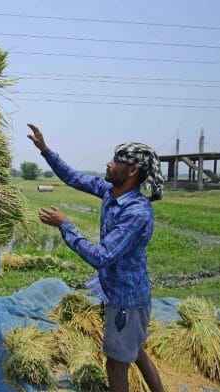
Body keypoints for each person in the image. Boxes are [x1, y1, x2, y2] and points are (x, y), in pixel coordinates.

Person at [26, 123, 164, 392]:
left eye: (116, 161)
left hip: (126, 300)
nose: (109, 163)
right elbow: (74, 178)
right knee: (134, 352)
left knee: (115, 365)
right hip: (118, 293)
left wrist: (65, 225)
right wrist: (45, 150)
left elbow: (102, 256)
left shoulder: (136, 213)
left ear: (132, 171)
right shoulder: (111, 192)